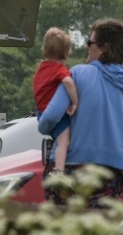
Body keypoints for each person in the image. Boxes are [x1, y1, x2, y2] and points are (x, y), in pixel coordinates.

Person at [38, 18, 123, 211]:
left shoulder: (78, 75)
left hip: (68, 170)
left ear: (104, 47)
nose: (87, 47)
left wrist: (44, 128)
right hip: (108, 177)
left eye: (90, 43)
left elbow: (49, 117)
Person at [32, 28, 79, 172]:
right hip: (55, 115)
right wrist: (75, 101)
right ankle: (58, 169)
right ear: (66, 53)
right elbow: (68, 82)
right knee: (64, 141)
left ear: (45, 50)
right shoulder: (59, 70)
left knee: (58, 140)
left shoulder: (41, 69)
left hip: (41, 113)